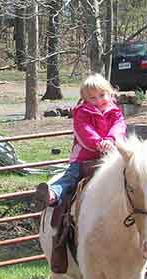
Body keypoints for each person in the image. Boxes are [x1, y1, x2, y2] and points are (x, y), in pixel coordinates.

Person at [34, 73, 127, 207]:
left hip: (111, 154)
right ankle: (53, 193)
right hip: (84, 158)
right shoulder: (82, 112)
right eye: (93, 98)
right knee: (71, 177)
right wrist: (99, 143)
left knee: (129, 173)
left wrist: (111, 140)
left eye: (102, 95)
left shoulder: (115, 111)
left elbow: (119, 126)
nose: (99, 100)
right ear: (85, 99)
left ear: (109, 93)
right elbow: (84, 130)